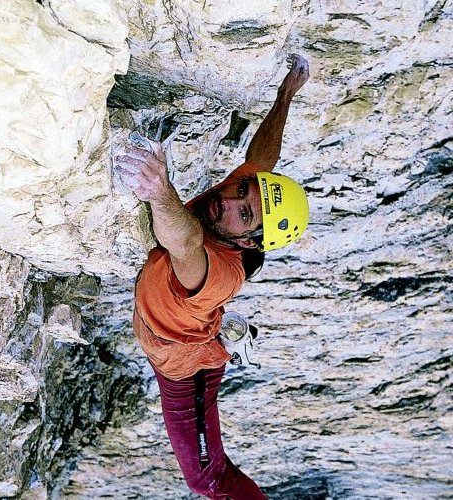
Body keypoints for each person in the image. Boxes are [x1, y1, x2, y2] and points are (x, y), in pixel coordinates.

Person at [114, 54, 310, 499]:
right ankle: (222, 331)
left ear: (248, 243)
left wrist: (160, 194)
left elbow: (185, 244)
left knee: (206, 479)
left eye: (244, 214)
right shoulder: (238, 203)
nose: (228, 200)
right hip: (178, 342)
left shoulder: (220, 273)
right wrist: (285, 96)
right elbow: (262, 159)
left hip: (188, 371)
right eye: (242, 190)